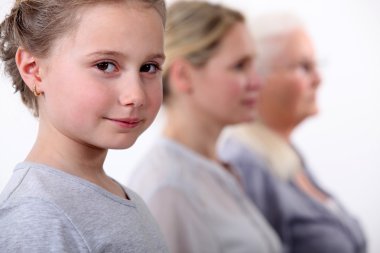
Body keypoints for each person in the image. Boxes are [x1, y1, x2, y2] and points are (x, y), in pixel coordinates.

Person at [0, 0, 168, 252]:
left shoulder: (123, 197)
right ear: (34, 70)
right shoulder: (38, 216)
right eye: (105, 65)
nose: (136, 95)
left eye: (149, 67)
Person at [127, 1, 282, 253]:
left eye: (254, 65)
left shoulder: (214, 169)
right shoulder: (170, 189)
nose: (257, 81)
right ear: (183, 76)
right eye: (240, 66)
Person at [217, 12, 367, 253]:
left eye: (317, 65)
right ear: (257, 78)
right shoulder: (246, 166)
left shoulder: (286, 155)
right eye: (304, 67)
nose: (318, 79)